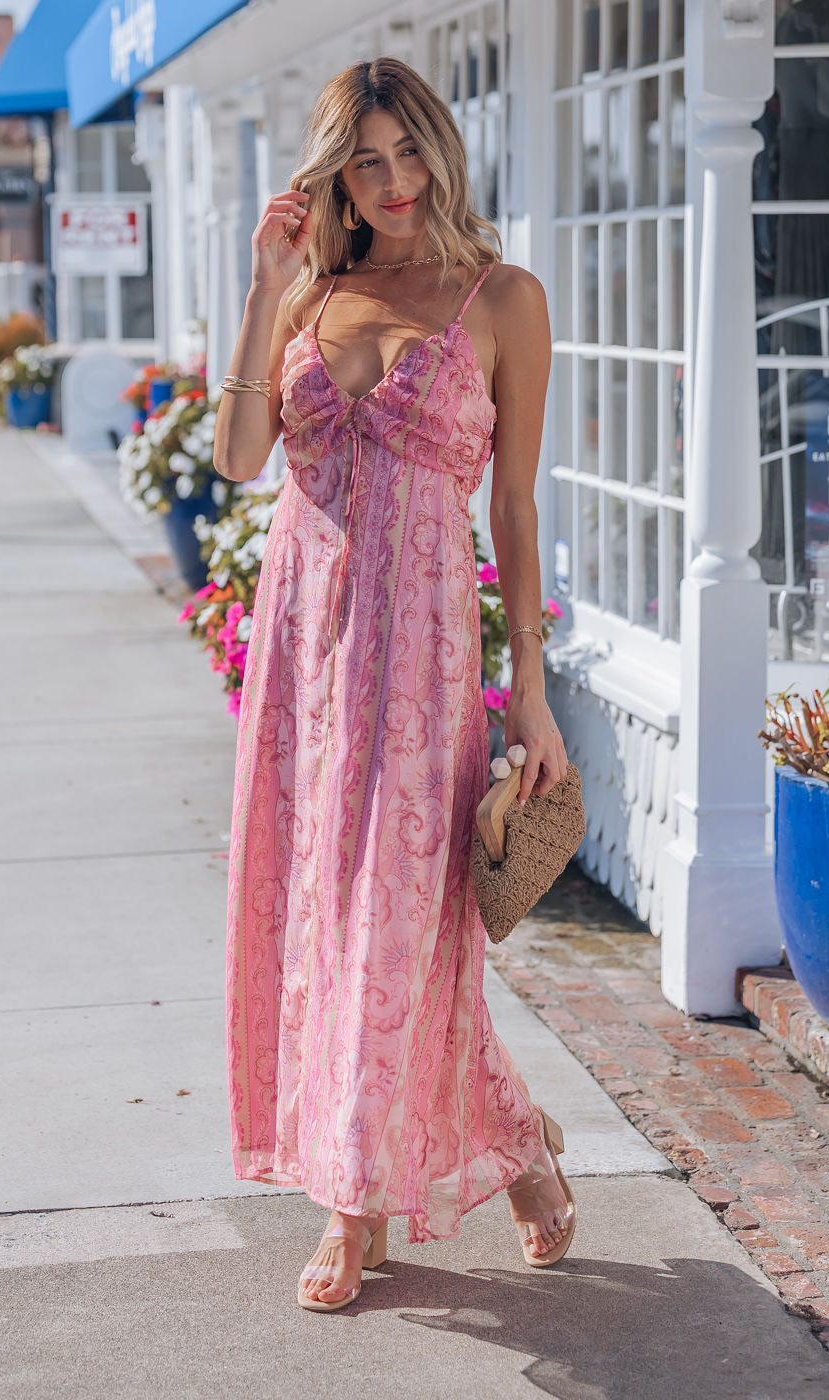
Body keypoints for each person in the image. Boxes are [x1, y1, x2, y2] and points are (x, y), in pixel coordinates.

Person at [214, 55, 576, 1314]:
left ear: (443, 147)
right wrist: (263, 293)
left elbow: (518, 507)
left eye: (410, 150)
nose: (395, 180)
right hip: (305, 656)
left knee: (403, 929)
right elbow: (241, 455)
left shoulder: (501, 296)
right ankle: (516, 1140)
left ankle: (352, 1202)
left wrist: (531, 691)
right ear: (336, 175)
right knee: (320, 917)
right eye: (365, 160)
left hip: (422, 658)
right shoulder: (314, 291)